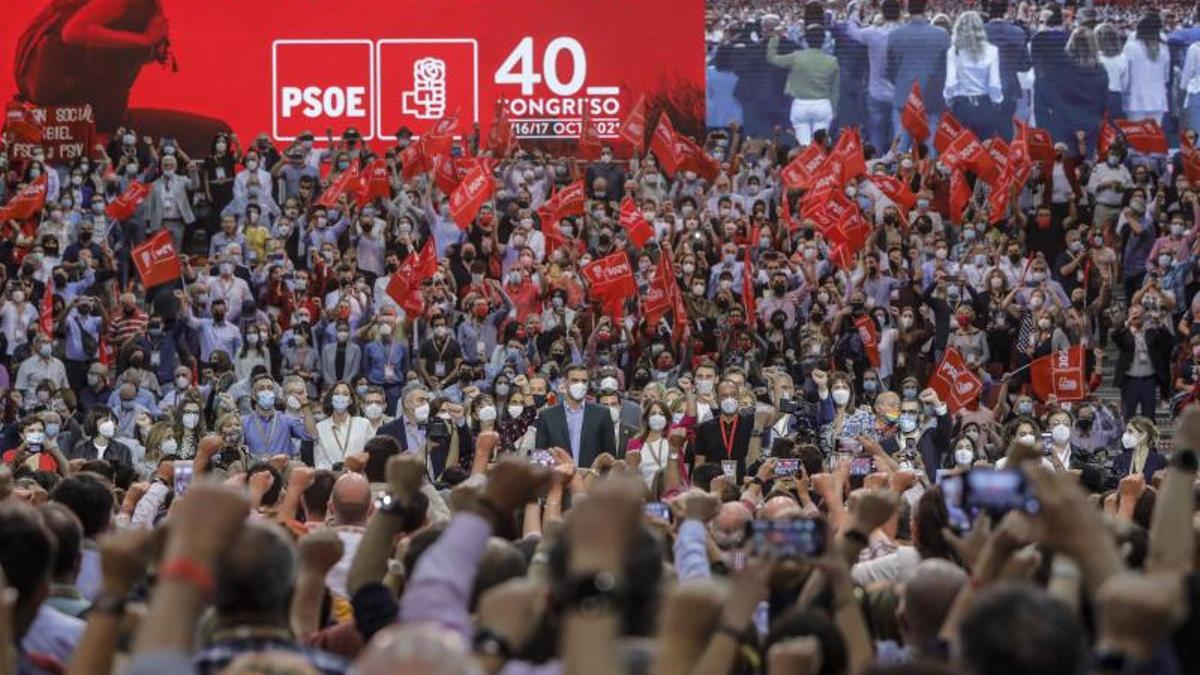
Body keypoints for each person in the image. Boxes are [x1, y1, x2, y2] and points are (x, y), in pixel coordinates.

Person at [887, 0, 950, 150]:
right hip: (931, 97)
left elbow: (890, 69)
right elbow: (945, 69)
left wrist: (901, 82)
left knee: (901, 148)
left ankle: (899, 172)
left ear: (908, 9)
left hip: (904, 96)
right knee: (931, 148)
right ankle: (931, 172)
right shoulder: (941, 35)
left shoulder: (895, 35)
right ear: (926, 7)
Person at [767, 23, 840, 146]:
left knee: (804, 147)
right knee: (821, 146)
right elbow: (835, 90)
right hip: (822, 105)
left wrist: (775, 39)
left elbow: (772, 58)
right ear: (823, 40)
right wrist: (833, 110)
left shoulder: (797, 57)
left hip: (800, 105)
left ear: (806, 39)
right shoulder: (832, 61)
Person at [532, 363, 615, 468]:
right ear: (565, 382)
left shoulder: (602, 414)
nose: (580, 385)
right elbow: (540, 459)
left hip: (592, 480)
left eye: (584, 381)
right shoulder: (547, 416)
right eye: (575, 380)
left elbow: (609, 457)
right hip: (559, 480)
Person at [943, 11, 1003, 140]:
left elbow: (951, 83)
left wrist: (948, 98)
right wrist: (997, 101)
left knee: (961, 149)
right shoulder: (992, 51)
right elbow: (994, 84)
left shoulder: (954, 52)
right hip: (984, 104)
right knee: (986, 149)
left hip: (961, 106)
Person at [983, 0, 1031, 140]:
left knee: (986, 131)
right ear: (1006, 10)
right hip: (1009, 87)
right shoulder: (1017, 32)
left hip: (985, 88)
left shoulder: (980, 32)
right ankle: (1004, 159)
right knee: (1005, 127)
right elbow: (1025, 65)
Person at [1123, 13, 1171, 125]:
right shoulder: (1164, 49)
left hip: (1135, 100)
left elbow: (1125, 76)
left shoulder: (1130, 47)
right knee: (1154, 139)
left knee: (1137, 139)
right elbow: (1166, 77)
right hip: (1158, 100)